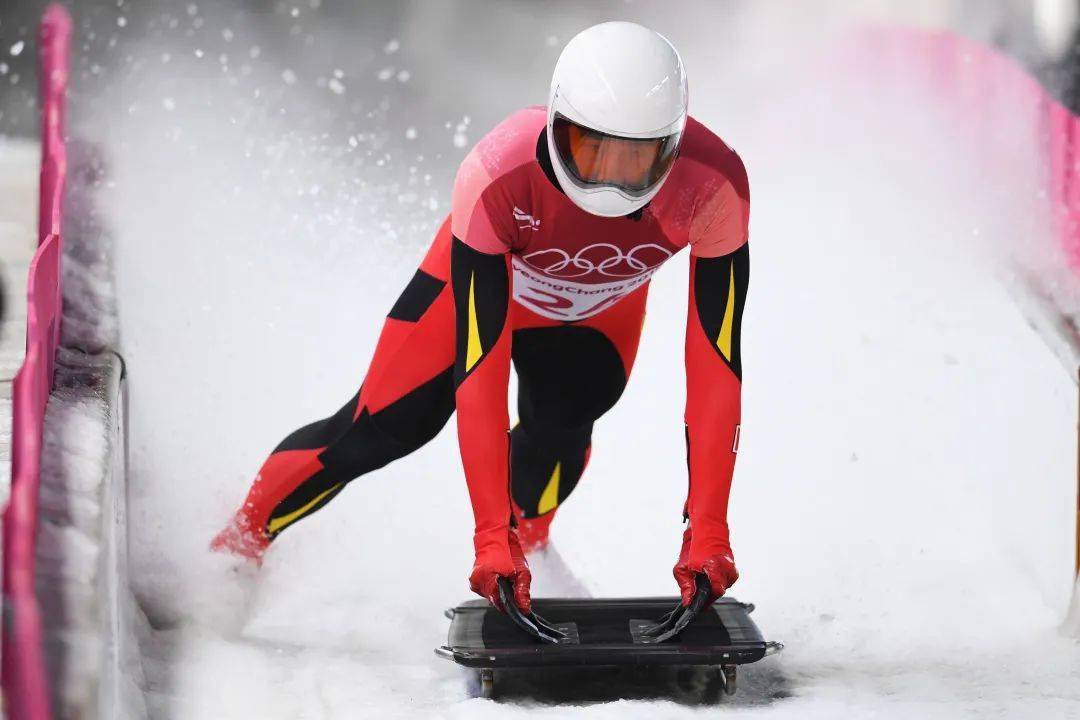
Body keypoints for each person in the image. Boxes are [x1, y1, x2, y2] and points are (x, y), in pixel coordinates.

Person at [212, 21, 749, 615]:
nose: (609, 178)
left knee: (568, 420)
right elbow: (479, 365)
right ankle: (238, 546)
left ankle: (536, 552)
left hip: (599, 309)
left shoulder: (716, 184)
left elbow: (716, 365)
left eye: (636, 158)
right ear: (555, 123)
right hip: (483, 290)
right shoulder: (497, 172)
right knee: (383, 427)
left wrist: (708, 531)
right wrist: (489, 537)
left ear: (672, 148)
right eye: (591, 149)